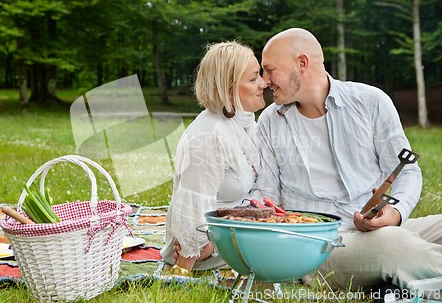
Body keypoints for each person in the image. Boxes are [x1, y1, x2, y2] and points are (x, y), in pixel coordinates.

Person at [254, 28, 442, 294]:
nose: (264, 80)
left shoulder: (371, 102)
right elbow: (267, 197)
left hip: (378, 231)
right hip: (319, 246)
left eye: (270, 70)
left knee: (398, 236)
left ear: (302, 63)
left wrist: (395, 213)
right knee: (394, 245)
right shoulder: (270, 122)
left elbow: (407, 172)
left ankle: (402, 280)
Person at [161, 41, 268, 273]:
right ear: (227, 89)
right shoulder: (209, 134)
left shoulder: (244, 122)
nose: (264, 83)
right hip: (204, 245)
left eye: (259, 75)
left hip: (235, 228)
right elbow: (193, 205)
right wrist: (185, 268)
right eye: (253, 79)